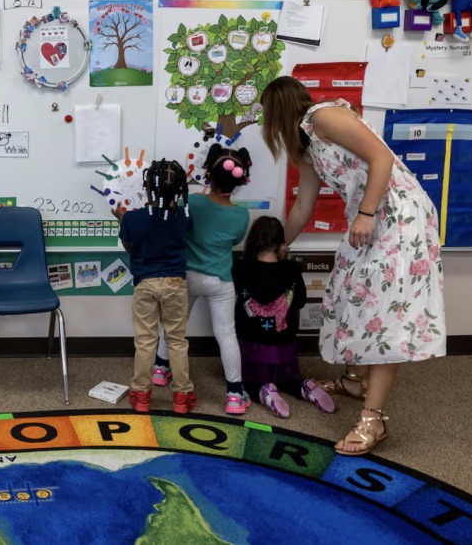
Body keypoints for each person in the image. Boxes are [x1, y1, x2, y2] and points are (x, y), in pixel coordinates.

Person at [260, 77, 445, 456]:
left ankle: (374, 420)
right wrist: (278, 248)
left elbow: (382, 158)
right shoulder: (308, 146)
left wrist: (366, 213)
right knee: (350, 293)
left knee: (384, 311)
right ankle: (354, 380)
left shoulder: (324, 116)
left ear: (277, 110)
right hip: (372, 218)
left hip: (398, 215)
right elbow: (303, 207)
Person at [152, 144, 253, 416]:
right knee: (226, 333)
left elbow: (178, 227)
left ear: (208, 174)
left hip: (186, 277)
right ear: (240, 181)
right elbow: (235, 241)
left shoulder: (192, 202)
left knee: (174, 325)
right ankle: (234, 395)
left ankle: (160, 369)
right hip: (220, 281)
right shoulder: (242, 215)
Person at [232, 216, 335, 418]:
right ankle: (304, 387)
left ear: (253, 242)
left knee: (247, 381)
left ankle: (264, 392)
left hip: (252, 344)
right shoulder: (292, 269)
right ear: (282, 244)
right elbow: (300, 302)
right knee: (287, 380)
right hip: (284, 346)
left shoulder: (241, 268)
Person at [114, 159, 197, 414]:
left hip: (145, 285)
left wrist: (121, 220)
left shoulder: (132, 218)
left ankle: (141, 395)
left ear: (148, 187)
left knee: (145, 341)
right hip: (175, 284)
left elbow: (129, 247)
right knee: (177, 341)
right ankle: (182, 397)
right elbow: (177, 228)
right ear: (180, 190)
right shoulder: (183, 216)